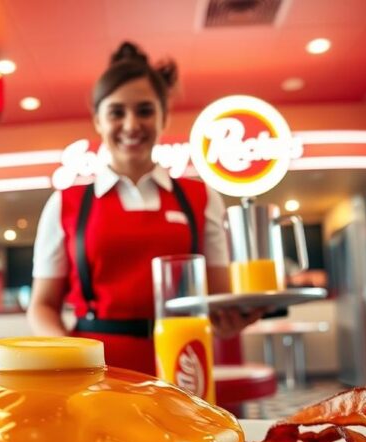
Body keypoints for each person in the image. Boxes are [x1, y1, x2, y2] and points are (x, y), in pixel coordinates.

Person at [28, 41, 252, 375]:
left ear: (164, 117)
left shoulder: (201, 198)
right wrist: (67, 354)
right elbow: (42, 306)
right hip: (92, 368)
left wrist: (230, 322)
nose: (131, 125)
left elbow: (217, 304)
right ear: (98, 122)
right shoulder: (65, 203)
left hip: (183, 363)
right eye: (117, 112)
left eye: (145, 110)